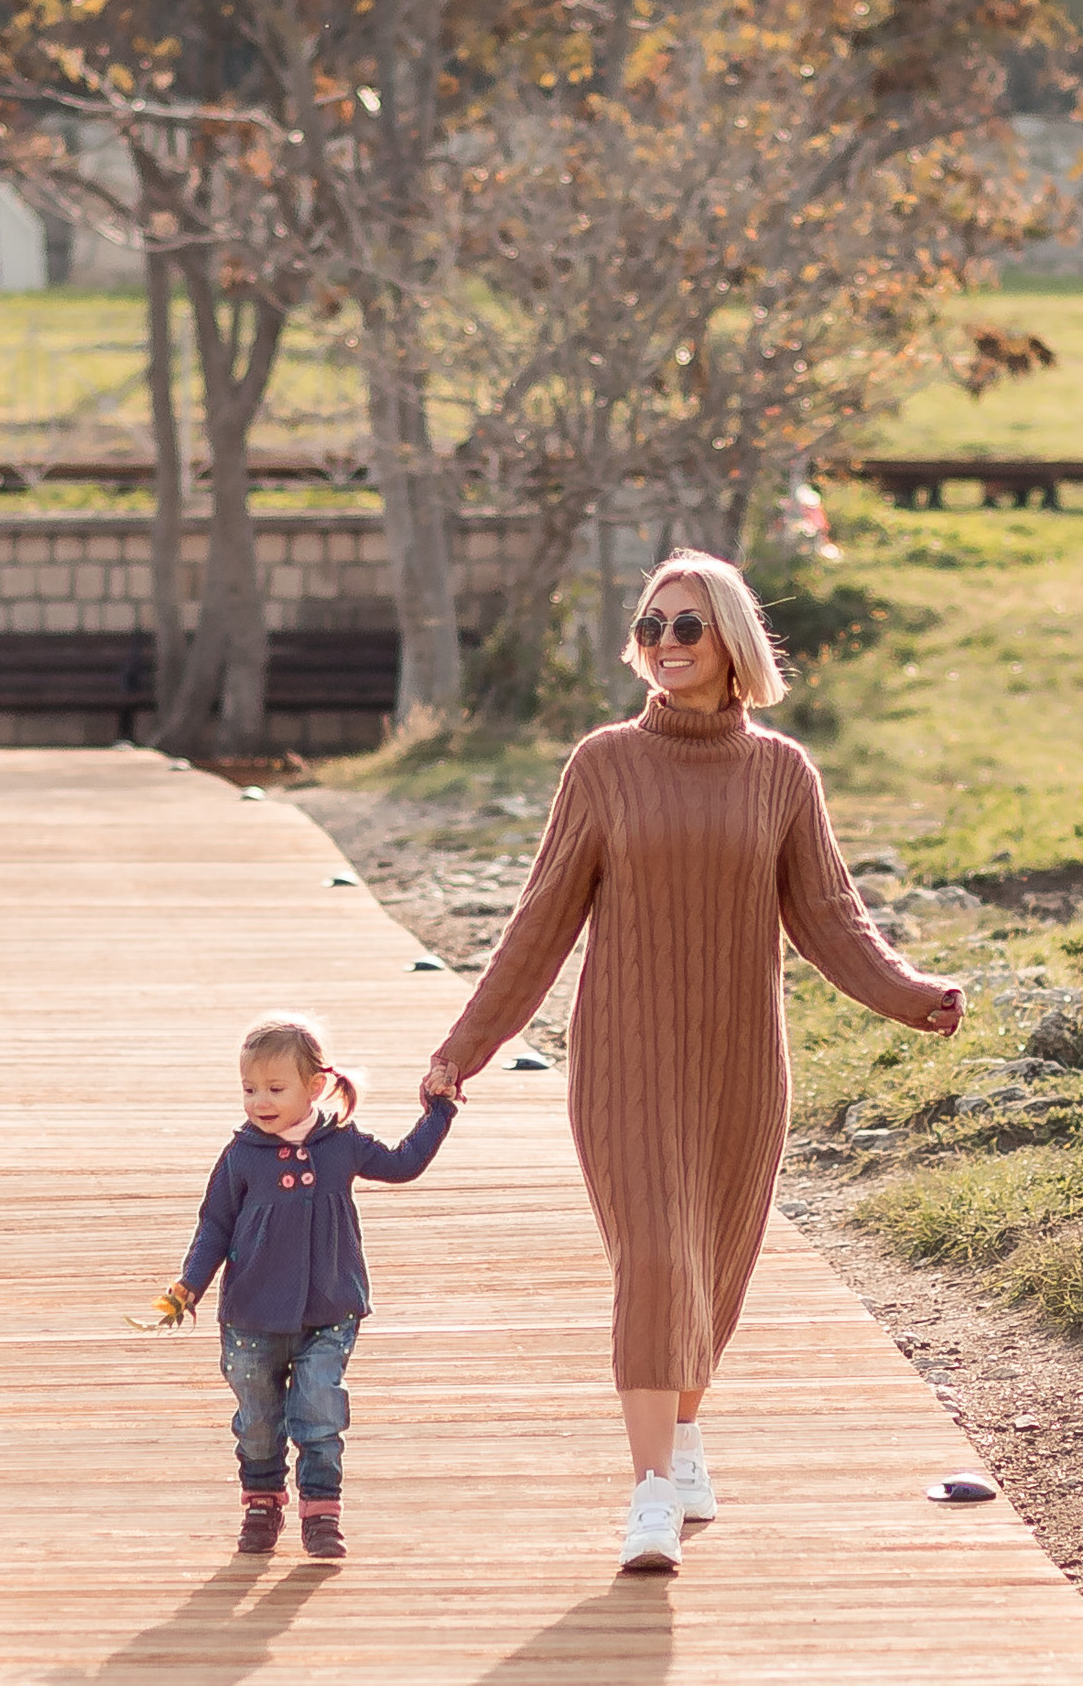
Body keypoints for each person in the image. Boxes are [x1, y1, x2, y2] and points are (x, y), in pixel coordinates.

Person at [420, 548, 964, 1573]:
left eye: (684, 626)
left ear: (730, 642)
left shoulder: (782, 773)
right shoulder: (603, 765)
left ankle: (682, 1432)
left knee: (711, 1269)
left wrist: (911, 994)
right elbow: (540, 924)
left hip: (738, 1066)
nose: (663, 644)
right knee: (658, 1263)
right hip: (625, 1061)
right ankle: (650, 1492)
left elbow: (830, 918)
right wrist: (464, 1047)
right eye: (649, 627)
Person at [140, 1014, 457, 1560]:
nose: (259, 1101)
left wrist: (438, 1112)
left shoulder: (342, 1144)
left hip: (330, 1307)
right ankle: (262, 1501)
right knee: (259, 1420)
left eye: (274, 1088)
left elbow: (403, 1164)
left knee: (319, 1409)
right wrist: (190, 1284)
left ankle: (321, 1510)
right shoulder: (242, 1155)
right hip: (252, 1313)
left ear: (313, 1087)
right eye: (249, 1089)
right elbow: (215, 1224)